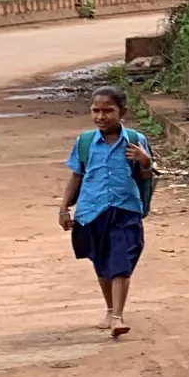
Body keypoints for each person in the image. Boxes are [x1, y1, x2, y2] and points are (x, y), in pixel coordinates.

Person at [60, 86, 152, 338]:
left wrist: (145, 161)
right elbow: (77, 176)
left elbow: (144, 176)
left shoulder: (135, 139)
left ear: (122, 112)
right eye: (96, 111)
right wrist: (64, 208)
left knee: (121, 260)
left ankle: (118, 316)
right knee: (101, 261)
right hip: (92, 211)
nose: (101, 116)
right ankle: (110, 308)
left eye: (108, 111)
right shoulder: (85, 143)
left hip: (125, 209)